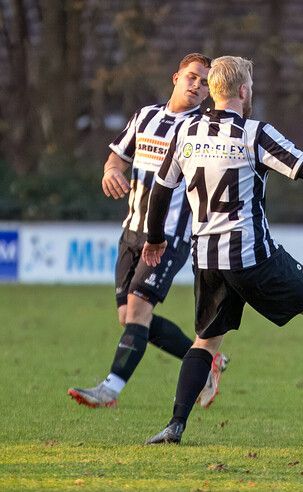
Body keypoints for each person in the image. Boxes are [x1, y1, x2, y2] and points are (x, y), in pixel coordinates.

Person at [141, 55, 303, 444]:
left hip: (205, 257)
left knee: (206, 340)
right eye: (251, 87)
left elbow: (161, 189)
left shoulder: (184, 132)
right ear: (243, 91)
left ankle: (175, 425)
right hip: (252, 256)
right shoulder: (253, 133)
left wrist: (154, 237)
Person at [68, 53, 229, 410]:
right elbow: (117, 157)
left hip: (169, 236)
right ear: (175, 77)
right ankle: (207, 360)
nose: (198, 85)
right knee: (128, 317)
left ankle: (109, 389)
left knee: (139, 309)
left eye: (205, 82)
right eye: (192, 77)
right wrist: (111, 171)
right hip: (131, 232)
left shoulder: (204, 128)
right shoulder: (145, 116)